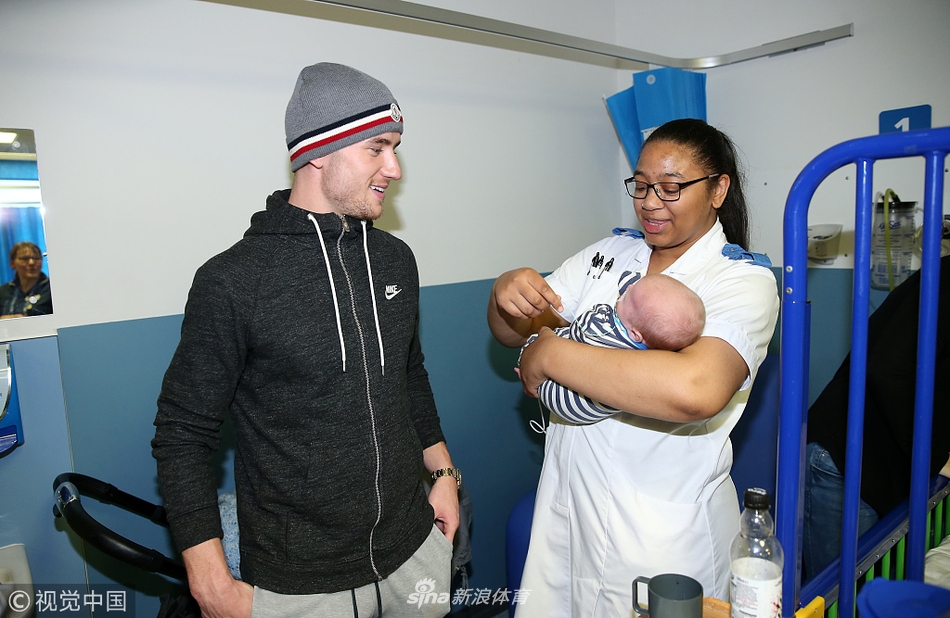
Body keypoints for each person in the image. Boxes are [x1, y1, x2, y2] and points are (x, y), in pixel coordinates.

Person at [152, 63, 460, 618]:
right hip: (302, 584)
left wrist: (443, 475)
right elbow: (182, 434)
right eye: (377, 148)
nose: (394, 168)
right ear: (319, 152)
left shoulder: (395, 259)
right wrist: (211, 584)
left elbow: (409, 374)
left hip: (415, 550)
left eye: (395, 148)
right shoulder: (234, 280)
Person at [487, 118, 779, 615]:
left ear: (718, 190)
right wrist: (504, 296)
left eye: (670, 187)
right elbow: (513, 331)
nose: (649, 202)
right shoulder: (608, 254)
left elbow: (694, 389)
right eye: (641, 185)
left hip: (661, 533)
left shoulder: (741, 280)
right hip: (569, 511)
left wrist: (551, 354)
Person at [803, 254, 950, 580]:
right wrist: (939, 458)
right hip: (847, 459)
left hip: (891, 459)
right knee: (839, 591)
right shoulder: (946, 280)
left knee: (867, 587)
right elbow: (887, 371)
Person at [526, 272, 706, 424]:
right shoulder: (649, 345)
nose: (628, 289)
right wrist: (636, 293)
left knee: (543, 340)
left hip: (562, 396)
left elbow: (579, 330)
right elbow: (639, 296)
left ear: (635, 334)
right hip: (588, 410)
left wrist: (548, 340)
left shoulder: (609, 333)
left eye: (629, 297)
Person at [0, 241, 52, 318]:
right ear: (12, 263)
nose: (31, 263)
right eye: (25, 259)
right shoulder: (3, 291)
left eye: (36, 258)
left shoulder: (51, 288)